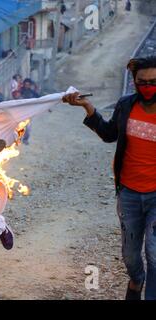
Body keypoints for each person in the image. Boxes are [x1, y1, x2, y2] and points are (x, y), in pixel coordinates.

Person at [63, 56, 156, 300]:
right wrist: (87, 108)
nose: (148, 87)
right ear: (135, 83)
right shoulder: (126, 106)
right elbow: (108, 135)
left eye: (154, 82)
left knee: (154, 252)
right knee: (131, 256)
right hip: (129, 193)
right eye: (142, 82)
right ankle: (136, 282)